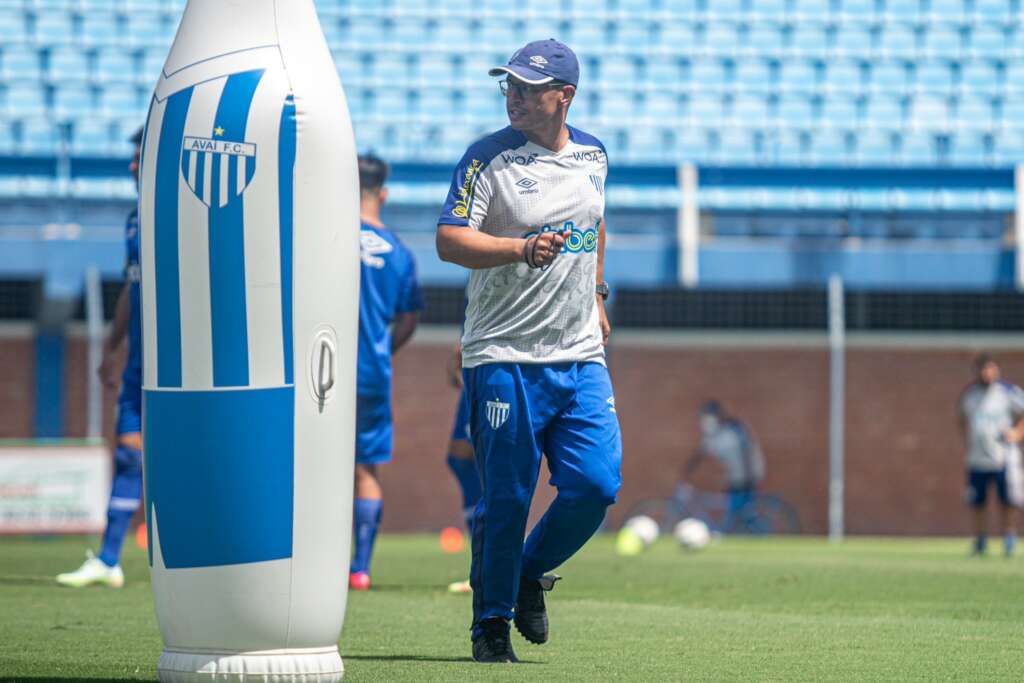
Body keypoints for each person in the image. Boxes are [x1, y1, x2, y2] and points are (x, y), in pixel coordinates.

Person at [436, 39, 621, 663]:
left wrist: (597, 292)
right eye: (508, 86)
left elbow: (594, 222)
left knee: (596, 484)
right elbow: (449, 239)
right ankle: (490, 625)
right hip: (504, 354)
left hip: (580, 352)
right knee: (509, 498)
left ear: (563, 96)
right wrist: (519, 248)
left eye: (527, 88)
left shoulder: (594, 154)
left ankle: (527, 573)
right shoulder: (486, 158)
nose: (513, 96)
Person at [57, 128, 144, 588]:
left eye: (140, 157)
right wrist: (113, 347)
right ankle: (110, 559)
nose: (132, 166)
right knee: (129, 455)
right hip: (140, 362)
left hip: (183, 367)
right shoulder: (135, 220)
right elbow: (133, 284)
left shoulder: (190, 217)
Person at [349, 153, 423, 591]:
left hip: (318, 369)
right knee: (365, 469)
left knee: (303, 464)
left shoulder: (322, 237)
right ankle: (359, 568)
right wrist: (381, 350)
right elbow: (409, 319)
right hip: (371, 372)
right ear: (385, 193)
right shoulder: (399, 253)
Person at [958, 353, 1024, 557]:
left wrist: (1017, 433)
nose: (987, 373)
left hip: (1003, 457)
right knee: (978, 501)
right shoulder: (969, 394)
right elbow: (961, 419)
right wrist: (968, 443)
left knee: (1008, 500)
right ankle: (980, 541)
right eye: (983, 370)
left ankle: (1009, 539)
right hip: (977, 458)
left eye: (991, 369)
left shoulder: (1007, 392)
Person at [684, 400, 765, 533]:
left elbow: (746, 453)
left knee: (740, 509)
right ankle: (731, 529)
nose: (704, 423)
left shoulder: (734, 430)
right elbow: (700, 454)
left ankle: (753, 530)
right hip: (735, 476)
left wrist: (748, 479)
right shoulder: (713, 436)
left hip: (746, 476)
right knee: (734, 508)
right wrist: (687, 471)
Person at [444, 341, 481, 594]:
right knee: (462, 460)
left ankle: (489, 569)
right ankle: (484, 567)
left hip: (487, 363)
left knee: (468, 457)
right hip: (476, 364)